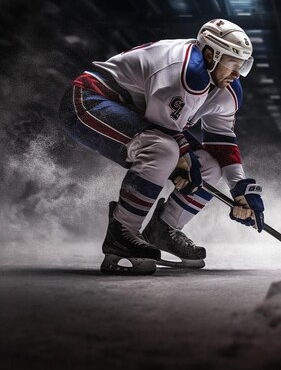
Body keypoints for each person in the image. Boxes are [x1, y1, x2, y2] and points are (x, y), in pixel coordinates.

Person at [59, 19, 265, 275]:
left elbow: (222, 141)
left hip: (138, 114)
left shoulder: (227, 88)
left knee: (209, 166)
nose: (238, 74)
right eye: (234, 64)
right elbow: (164, 132)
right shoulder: (189, 71)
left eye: (243, 65)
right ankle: (122, 234)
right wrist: (184, 166)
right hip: (88, 100)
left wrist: (240, 188)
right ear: (211, 54)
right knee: (163, 150)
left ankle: (163, 230)